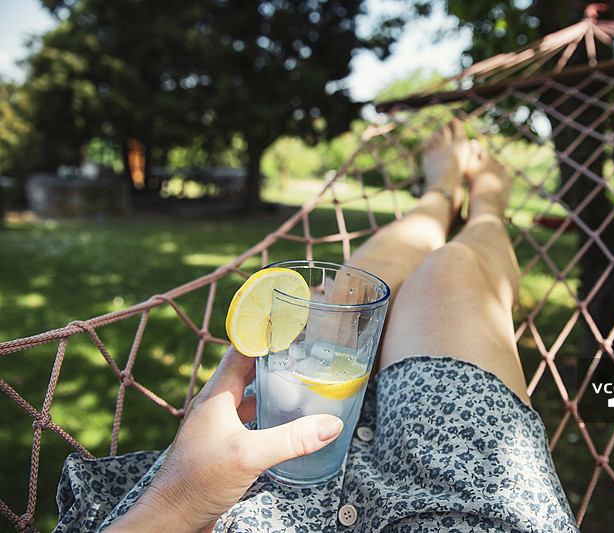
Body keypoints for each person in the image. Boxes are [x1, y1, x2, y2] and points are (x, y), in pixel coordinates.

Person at [55, 119, 578, 532]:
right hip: (454, 509)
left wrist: (173, 505)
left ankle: (438, 195)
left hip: (254, 475)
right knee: (453, 270)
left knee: (351, 289)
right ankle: (485, 206)